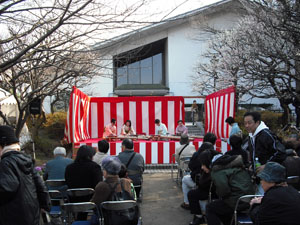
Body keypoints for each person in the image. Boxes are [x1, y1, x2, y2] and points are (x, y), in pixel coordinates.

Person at [0, 125, 50, 225]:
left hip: (13, 217)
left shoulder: (6, 163)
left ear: (2, 145)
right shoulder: (27, 161)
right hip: (32, 215)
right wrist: (45, 206)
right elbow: (41, 187)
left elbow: (6, 188)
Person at [206, 154, 254, 225]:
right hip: (249, 200)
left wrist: (219, 193)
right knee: (222, 206)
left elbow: (224, 191)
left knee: (210, 207)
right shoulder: (238, 168)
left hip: (237, 202)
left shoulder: (218, 171)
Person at [187, 149, 220, 225]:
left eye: (203, 165)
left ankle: (199, 217)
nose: (202, 167)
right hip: (208, 190)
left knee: (192, 194)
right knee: (192, 193)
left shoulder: (216, 171)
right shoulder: (208, 168)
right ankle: (199, 216)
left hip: (214, 193)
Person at [181, 142, 215, 210]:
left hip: (203, 185)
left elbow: (191, 166)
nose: (202, 167)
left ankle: (188, 204)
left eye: (203, 165)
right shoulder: (215, 158)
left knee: (186, 180)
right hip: (212, 188)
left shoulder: (198, 155)